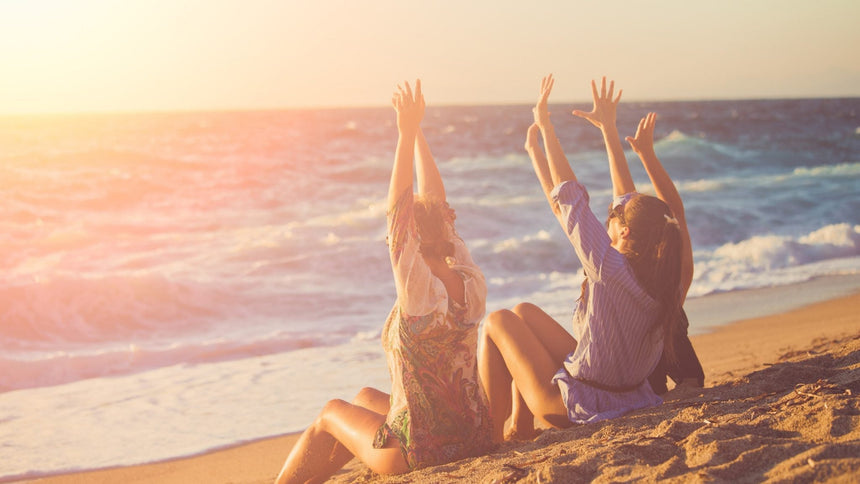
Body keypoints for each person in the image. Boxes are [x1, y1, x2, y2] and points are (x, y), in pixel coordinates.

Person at [275, 80, 492, 483]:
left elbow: (399, 211)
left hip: (419, 452)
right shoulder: (469, 279)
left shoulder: (419, 293)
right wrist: (419, 132)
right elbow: (436, 202)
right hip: (474, 435)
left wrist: (405, 133)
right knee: (362, 399)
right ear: (445, 232)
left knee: (329, 413)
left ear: (410, 241)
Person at [478, 75, 684, 443]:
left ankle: (491, 436)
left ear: (626, 233)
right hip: (632, 397)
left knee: (497, 321)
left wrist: (547, 128)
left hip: (578, 407)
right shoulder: (662, 274)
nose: (610, 218)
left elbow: (570, 198)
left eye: (615, 219)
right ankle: (519, 428)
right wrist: (609, 130)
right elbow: (630, 201)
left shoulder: (608, 266)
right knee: (524, 312)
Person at [573, 81, 705, 395]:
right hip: (668, 385)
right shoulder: (671, 284)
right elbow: (673, 215)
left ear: (624, 234)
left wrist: (610, 132)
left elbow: (627, 201)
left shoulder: (617, 283)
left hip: (636, 392)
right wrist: (643, 153)